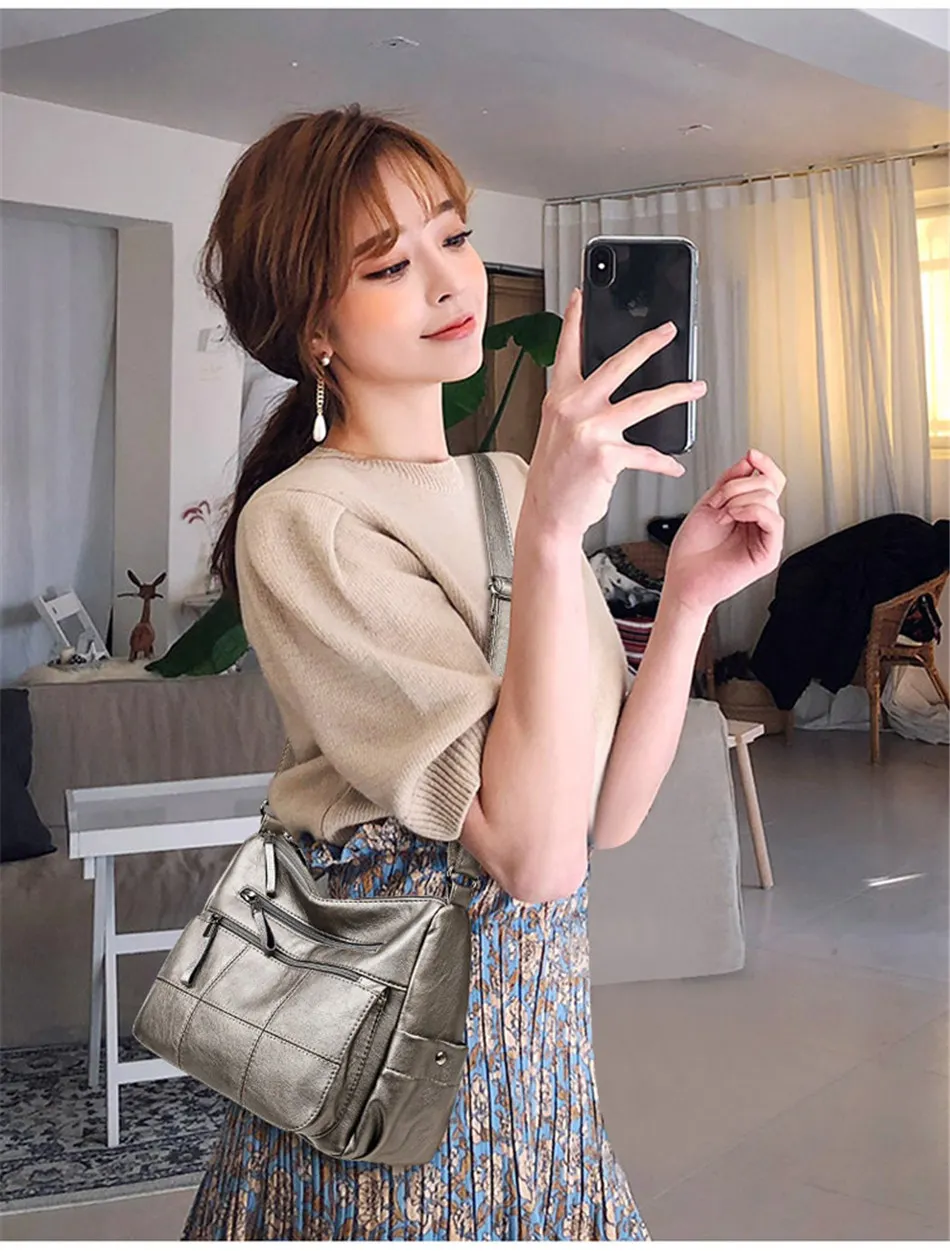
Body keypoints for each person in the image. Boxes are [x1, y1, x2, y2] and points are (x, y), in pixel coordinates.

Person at [181, 105, 786, 1241]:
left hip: (540, 1060)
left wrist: (690, 598)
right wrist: (554, 535)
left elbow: (605, 815)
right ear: (313, 326)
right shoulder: (305, 521)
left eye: (452, 236)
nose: (448, 279)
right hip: (384, 1079)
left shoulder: (511, 485)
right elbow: (528, 854)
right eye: (387, 264)